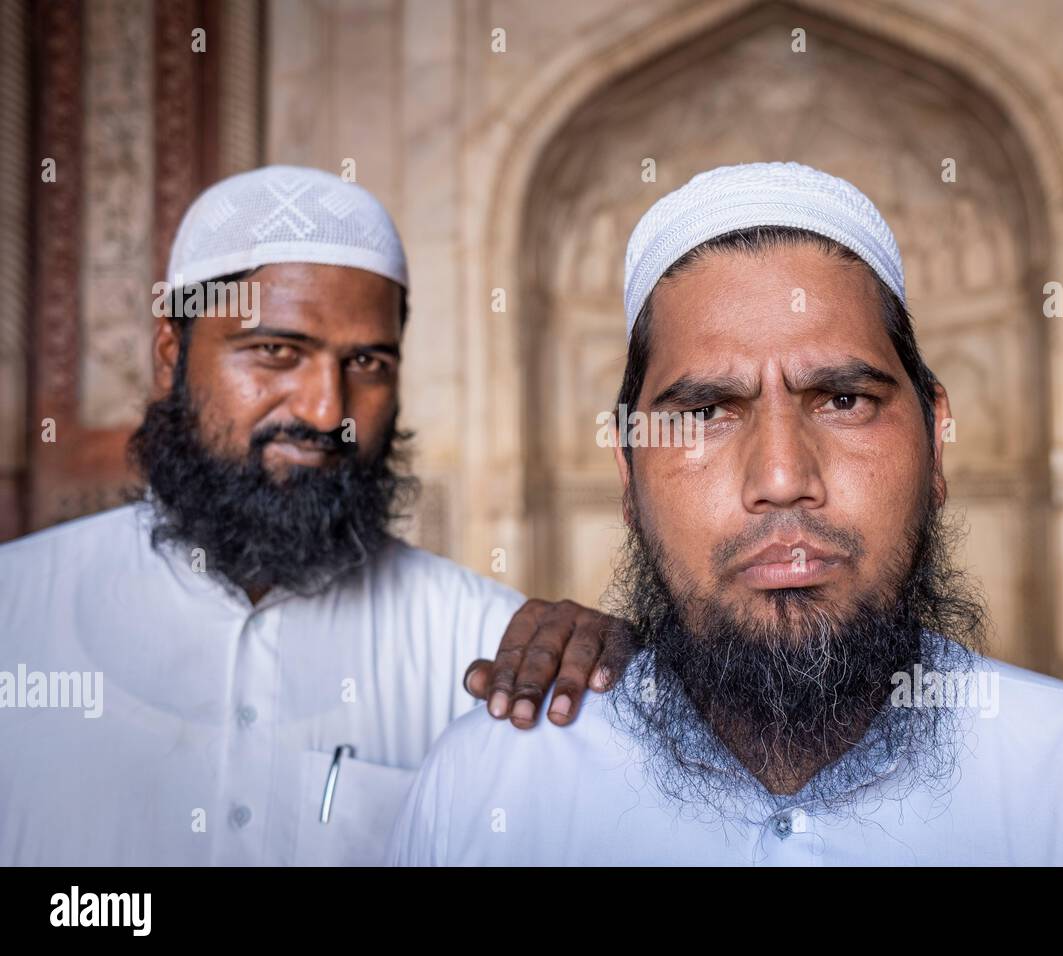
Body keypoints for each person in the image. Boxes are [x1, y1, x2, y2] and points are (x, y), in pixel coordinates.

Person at [387, 162, 1063, 866]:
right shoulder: (489, 792)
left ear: (936, 442)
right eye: (703, 413)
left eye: (842, 399)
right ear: (626, 469)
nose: (781, 476)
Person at [0, 166, 613, 865]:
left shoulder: (493, 655)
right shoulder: (15, 613)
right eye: (276, 352)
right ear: (171, 354)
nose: (327, 410)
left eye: (367, 363)